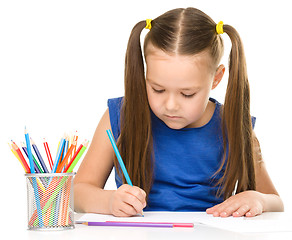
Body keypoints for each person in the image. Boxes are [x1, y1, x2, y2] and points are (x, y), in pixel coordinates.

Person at [74, 7, 284, 218]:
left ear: (216, 78)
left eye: (187, 93)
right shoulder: (120, 117)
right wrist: (109, 201)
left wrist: (258, 199)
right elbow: (77, 192)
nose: (171, 105)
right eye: (158, 89)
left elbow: (275, 202)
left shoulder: (234, 125)